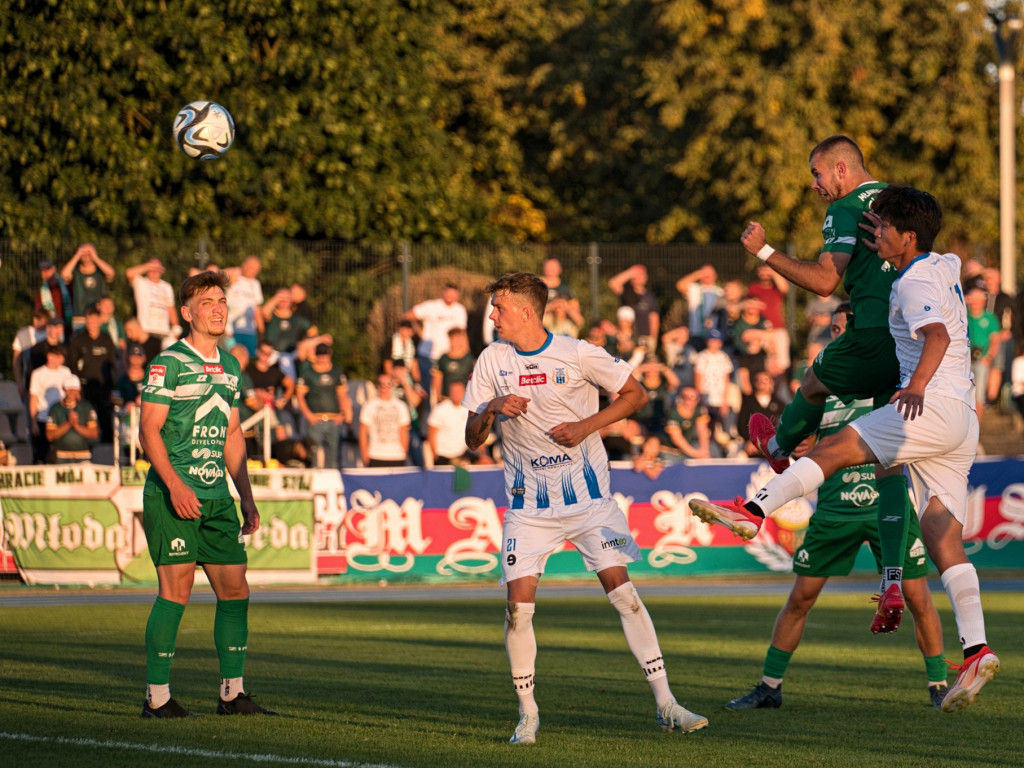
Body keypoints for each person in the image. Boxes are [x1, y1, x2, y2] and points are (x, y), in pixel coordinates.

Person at [692, 185, 999, 712]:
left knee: (833, 449)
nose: (873, 233)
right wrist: (885, 218)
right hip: (962, 421)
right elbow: (934, 257)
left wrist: (917, 386)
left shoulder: (914, 281)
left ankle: (752, 511)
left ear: (908, 237)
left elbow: (937, 338)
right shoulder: (943, 263)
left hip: (930, 406)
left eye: (881, 228)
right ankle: (976, 649)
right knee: (940, 533)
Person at [463, 272, 707, 745]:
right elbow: (472, 439)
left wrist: (586, 425)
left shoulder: (578, 353)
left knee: (624, 595)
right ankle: (528, 715)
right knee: (517, 610)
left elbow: (637, 394)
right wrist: (491, 406)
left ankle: (666, 704)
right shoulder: (492, 360)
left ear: (526, 312)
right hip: (528, 508)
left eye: (498, 307)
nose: (492, 316)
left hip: (592, 503)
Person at [727, 305, 948, 710]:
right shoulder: (822, 381)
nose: (836, 335)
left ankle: (939, 687)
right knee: (800, 599)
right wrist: (793, 444)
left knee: (918, 597)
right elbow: (805, 447)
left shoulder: (892, 379)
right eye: (832, 328)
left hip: (889, 506)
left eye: (843, 327)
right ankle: (769, 687)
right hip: (834, 511)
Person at [739, 135, 913, 626]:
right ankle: (893, 578)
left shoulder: (845, 209)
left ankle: (778, 446)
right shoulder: (902, 202)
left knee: (815, 381)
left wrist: (764, 250)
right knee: (890, 464)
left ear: (840, 169)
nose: (815, 185)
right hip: (910, 343)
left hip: (873, 334)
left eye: (817, 175)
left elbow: (823, 282)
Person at [138, 270, 275, 718]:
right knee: (175, 591)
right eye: (207, 302)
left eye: (221, 300)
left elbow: (233, 433)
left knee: (236, 591)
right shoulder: (169, 362)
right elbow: (148, 430)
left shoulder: (232, 365)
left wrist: (246, 496)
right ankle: (156, 699)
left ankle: (231, 694)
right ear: (186, 313)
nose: (217, 308)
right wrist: (175, 485)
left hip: (217, 497)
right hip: (174, 493)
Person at [296, 343, 352, 469]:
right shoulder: (308, 373)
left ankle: (336, 486)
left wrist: (342, 414)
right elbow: (300, 396)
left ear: (329, 354)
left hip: (334, 420)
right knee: (312, 455)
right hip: (316, 420)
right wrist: (308, 415)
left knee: (335, 457)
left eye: (325, 355)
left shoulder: (336, 372)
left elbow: (342, 395)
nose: (322, 359)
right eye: (320, 355)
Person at [67, 304, 118, 444]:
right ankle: (84, 448)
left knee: (106, 421)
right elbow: (72, 366)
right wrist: (76, 388)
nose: (91, 324)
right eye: (88, 321)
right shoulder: (78, 340)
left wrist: (112, 388)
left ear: (99, 321)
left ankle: (107, 451)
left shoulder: (106, 340)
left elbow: (113, 365)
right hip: (84, 388)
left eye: (94, 321)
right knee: (85, 419)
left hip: (103, 388)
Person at [28, 344, 73, 464]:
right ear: (50, 356)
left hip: (62, 418)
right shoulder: (38, 374)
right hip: (43, 417)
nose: (61, 360)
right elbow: (33, 398)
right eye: (58, 356)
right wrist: (33, 422)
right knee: (42, 453)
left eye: (62, 357)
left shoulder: (66, 371)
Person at [358, 371, 411, 467]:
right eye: (382, 384)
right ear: (377, 386)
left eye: (388, 384)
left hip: (397, 456)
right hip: (375, 455)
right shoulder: (369, 406)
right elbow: (363, 431)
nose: (385, 387)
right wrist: (365, 455)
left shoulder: (401, 406)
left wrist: (404, 452)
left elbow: (403, 430)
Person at [61, 243, 116, 331]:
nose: (87, 255)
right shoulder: (76, 271)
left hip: (99, 318)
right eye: (84, 253)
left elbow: (111, 273)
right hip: (80, 318)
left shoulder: (100, 271)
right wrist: (77, 255)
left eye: (89, 253)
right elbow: (64, 275)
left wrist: (95, 258)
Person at [126, 258, 180, 349]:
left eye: (157, 269)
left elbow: (170, 308)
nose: (154, 271)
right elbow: (129, 273)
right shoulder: (141, 282)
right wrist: (148, 266)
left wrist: (176, 328)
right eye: (152, 269)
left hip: (164, 333)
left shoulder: (166, 287)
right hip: (147, 331)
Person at [45, 376, 99, 464]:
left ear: (79, 389)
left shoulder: (86, 407)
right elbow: (50, 436)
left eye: (74, 389)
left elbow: (94, 433)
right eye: (69, 389)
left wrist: (76, 426)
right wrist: (68, 424)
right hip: (61, 457)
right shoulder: (55, 408)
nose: (72, 392)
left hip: (83, 456)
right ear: (63, 389)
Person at [608, 264, 660, 352]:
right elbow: (613, 283)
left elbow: (654, 317)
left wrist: (653, 338)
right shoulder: (626, 291)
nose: (638, 277)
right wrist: (631, 272)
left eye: (641, 275)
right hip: (628, 336)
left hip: (645, 336)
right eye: (636, 275)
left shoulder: (650, 296)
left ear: (646, 278)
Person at [224, 255, 265, 355]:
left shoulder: (255, 284)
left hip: (249, 330)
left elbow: (257, 309)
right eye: (251, 267)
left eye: (256, 269)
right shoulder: (232, 277)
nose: (253, 271)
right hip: (230, 328)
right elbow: (213, 272)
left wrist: (262, 333)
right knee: (232, 357)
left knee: (248, 357)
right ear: (244, 265)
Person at [676, 264, 723, 350]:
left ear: (715, 276)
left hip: (714, 336)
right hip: (696, 333)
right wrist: (699, 274)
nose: (707, 275)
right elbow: (680, 285)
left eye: (710, 273)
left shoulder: (720, 292)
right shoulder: (695, 288)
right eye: (704, 273)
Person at [664, 386, 714, 459]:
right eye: (685, 397)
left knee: (713, 449)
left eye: (693, 397)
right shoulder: (673, 414)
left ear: (698, 399)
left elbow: (702, 431)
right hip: (671, 450)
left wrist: (704, 451)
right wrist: (697, 454)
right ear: (680, 398)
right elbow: (677, 439)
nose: (689, 401)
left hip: (690, 445)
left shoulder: (700, 409)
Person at [12, 307, 51, 399]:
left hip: (49, 381)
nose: (44, 324)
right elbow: (16, 360)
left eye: (46, 321)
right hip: (29, 381)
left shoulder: (51, 333)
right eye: (42, 321)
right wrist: (19, 383)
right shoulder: (23, 334)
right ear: (35, 320)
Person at [34, 258, 73, 339]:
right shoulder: (42, 293)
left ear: (54, 269)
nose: (45, 273)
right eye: (43, 271)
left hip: (70, 328)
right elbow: (38, 314)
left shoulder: (67, 285)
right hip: (52, 331)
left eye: (48, 270)